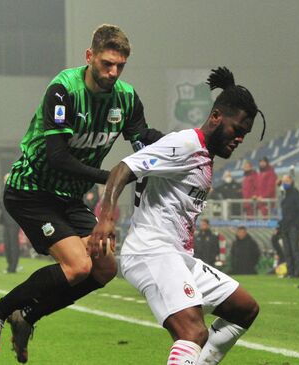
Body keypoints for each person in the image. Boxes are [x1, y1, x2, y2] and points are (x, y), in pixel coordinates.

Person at [0, 24, 164, 362]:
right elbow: (57, 156)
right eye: (107, 64)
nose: (113, 72)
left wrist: (163, 143)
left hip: (70, 197)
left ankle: (27, 317)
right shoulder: (64, 89)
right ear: (89, 56)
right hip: (31, 190)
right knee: (78, 266)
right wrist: (112, 177)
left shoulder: (127, 97)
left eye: (120, 66)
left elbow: (139, 138)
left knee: (105, 269)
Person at [90, 67, 264, 364]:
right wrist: (106, 217)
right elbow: (122, 169)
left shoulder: (202, 154)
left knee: (244, 309)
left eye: (244, 135)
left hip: (178, 256)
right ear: (216, 117)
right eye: (237, 130)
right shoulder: (186, 144)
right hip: (150, 251)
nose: (239, 140)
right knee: (192, 333)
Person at [278, 174, 299, 278]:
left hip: (293, 227)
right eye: (283, 181)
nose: (285, 183)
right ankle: (290, 271)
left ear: (291, 181)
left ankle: (297, 272)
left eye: (287, 181)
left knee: (294, 249)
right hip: (285, 226)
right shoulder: (284, 195)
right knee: (287, 250)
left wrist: (296, 223)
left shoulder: (295, 194)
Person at [0, 173, 21, 274]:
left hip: (13, 222)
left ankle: (13, 267)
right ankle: (9, 265)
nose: (5, 181)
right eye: (4, 179)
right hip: (5, 222)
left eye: (7, 179)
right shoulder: (3, 191)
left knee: (13, 244)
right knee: (7, 244)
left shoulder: (15, 192)